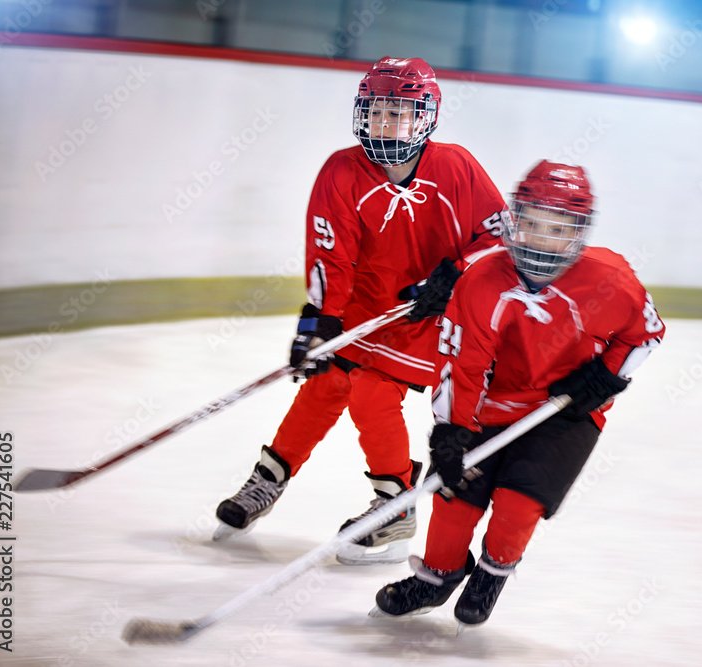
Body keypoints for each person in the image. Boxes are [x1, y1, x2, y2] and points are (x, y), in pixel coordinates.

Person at [214, 57, 507, 565]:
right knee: (326, 382)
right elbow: (332, 254)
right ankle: (267, 481)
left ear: (426, 116)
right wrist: (320, 321)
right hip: (364, 309)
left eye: (400, 112)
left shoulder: (456, 166)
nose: (385, 123)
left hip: (428, 318)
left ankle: (395, 509)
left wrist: (455, 274)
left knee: (372, 393)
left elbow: (498, 237)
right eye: (375, 111)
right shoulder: (342, 170)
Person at [372, 160, 666, 624]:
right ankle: (437, 576)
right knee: (454, 493)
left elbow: (644, 334)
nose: (538, 237)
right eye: (529, 222)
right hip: (487, 406)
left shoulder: (610, 278)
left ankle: (491, 573)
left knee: (518, 500)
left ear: (577, 232)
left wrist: (604, 378)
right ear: (513, 218)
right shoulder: (482, 280)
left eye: (555, 227)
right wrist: (452, 432)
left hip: (562, 412)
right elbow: (462, 364)